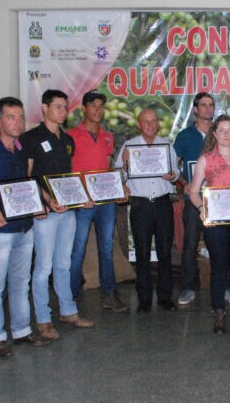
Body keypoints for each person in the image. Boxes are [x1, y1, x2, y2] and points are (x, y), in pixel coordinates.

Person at [0, 97, 51, 357]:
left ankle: (22, 331)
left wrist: (37, 205)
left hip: (24, 227)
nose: (17, 122)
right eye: (11, 117)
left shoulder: (21, 149)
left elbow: (27, 185)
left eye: (20, 117)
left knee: (20, 282)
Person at [22, 89, 94, 341]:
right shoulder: (30, 138)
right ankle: (43, 319)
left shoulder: (67, 140)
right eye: (58, 107)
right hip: (46, 212)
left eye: (65, 107)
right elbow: (27, 175)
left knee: (64, 263)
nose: (63, 112)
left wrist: (79, 197)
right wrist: (46, 200)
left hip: (67, 211)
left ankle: (68, 311)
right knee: (43, 266)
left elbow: (68, 177)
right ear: (44, 108)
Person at [189, 115, 230, 334]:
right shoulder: (205, 159)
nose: (226, 134)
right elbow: (193, 191)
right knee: (218, 267)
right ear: (214, 134)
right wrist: (201, 209)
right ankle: (219, 313)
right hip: (214, 222)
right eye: (222, 130)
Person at [67, 90, 127, 312]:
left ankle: (110, 294)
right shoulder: (70, 136)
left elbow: (109, 167)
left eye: (101, 106)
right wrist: (77, 194)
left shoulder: (107, 137)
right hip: (82, 202)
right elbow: (67, 170)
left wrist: (118, 186)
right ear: (84, 108)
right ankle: (70, 298)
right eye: (93, 106)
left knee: (106, 248)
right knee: (78, 250)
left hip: (105, 201)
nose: (98, 110)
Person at [116, 108, 179, 312]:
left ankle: (165, 296)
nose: (150, 124)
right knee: (142, 252)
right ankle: (144, 298)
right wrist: (125, 163)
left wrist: (173, 175)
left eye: (154, 121)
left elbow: (176, 172)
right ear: (139, 124)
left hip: (162, 203)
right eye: (146, 121)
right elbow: (119, 176)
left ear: (158, 123)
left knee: (164, 252)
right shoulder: (129, 146)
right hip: (140, 204)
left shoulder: (166, 145)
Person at [174, 92, 215, 307]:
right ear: (196, 109)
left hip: (218, 200)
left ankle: (222, 286)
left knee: (217, 244)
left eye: (211, 105)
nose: (208, 109)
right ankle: (188, 287)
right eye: (203, 105)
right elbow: (173, 166)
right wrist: (184, 183)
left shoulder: (220, 134)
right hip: (193, 200)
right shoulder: (185, 136)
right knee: (190, 244)